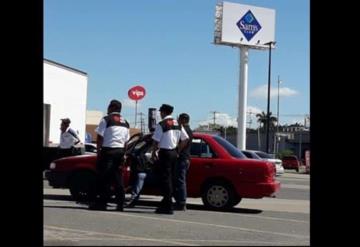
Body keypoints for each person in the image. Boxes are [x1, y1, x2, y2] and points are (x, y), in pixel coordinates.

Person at [88, 99, 130, 211]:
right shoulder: (125, 122)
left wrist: (98, 151)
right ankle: (120, 204)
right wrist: (124, 154)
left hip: (108, 151)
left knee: (104, 178)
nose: (107, 108)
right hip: (120, 152)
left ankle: (101, 203)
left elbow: (100, 137)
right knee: (118, 178)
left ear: (112, 108)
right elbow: (126, 142)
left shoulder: (106, 119)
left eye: (109, 106)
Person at [151, 104, 189, 214]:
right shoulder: (178, 123)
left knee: (165, 180)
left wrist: (154, 152)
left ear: (163, 112)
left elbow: (156, 141)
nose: (160, 113)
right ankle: (165, 202)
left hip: (165, 153)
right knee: (170, 178)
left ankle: (167, 206)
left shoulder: (161, 124)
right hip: (173, 153)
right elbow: (185, 139)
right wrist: (178, 150)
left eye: (161, 112)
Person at [173, 113, 193, 211]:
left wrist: (177, 151)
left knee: (180, 181)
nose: (178, 121)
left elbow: (183, 142)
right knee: (179, 180)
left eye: (179, 119)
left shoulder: (184, 130)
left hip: (182, 158)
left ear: (184, 120)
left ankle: (181, 203)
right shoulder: (189, 130)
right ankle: (179, 201)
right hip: (186, 158)